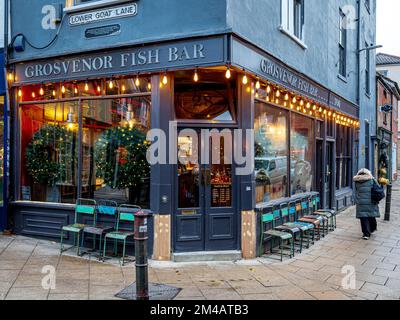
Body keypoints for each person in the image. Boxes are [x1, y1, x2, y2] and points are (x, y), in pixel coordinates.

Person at [353, 168, 380, 240]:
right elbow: (378, 189)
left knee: (363, 217)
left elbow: (356, 190)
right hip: (371, 201)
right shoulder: (372, 180)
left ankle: (366, 234)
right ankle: (373, 228)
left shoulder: (357, 181)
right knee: (371, 215)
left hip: (361, 202)